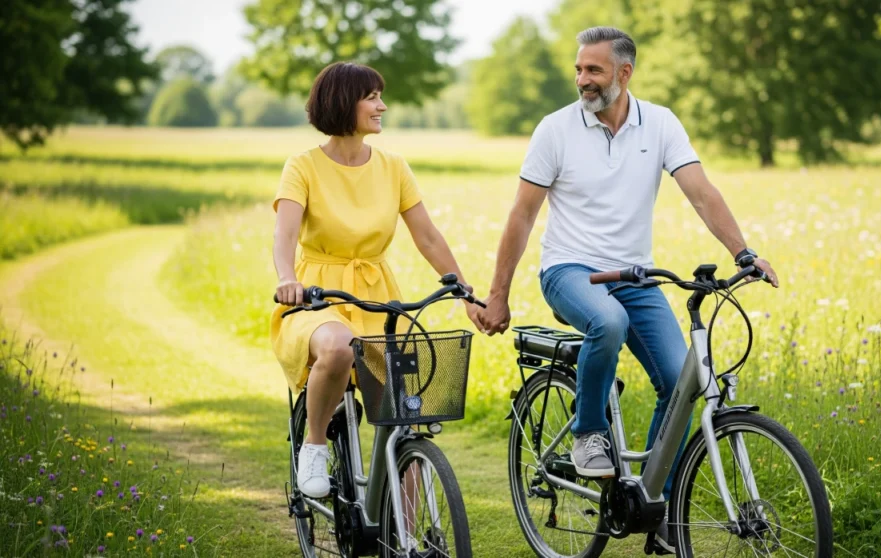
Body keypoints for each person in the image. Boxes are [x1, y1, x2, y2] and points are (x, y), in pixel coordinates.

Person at [471, 26, 778, 552]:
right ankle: (589, 433)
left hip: (635, 275)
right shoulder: (555, 129)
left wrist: (743, 253)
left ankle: (657, 505)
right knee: (607, 321)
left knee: (682, 383)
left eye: (593, 69)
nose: (581, 79)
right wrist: (498, 294)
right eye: (578, 69)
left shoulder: (659, 123)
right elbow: (522, 215)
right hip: (569, 270)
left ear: (624, 72)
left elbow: (701, 193)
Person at [271, 62, 477, 499]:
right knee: (338, 347)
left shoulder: (393, 166)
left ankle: (407, 528)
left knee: (405, 417)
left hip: (378, 297)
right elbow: (284, 234)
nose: (382, 106)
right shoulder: (303, 166)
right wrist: (287, 278)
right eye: (372, 97)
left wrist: (463, 291)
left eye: (380, 96)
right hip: (316, 297)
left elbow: (427, 236)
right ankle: (314, 445)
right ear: (343, 102)